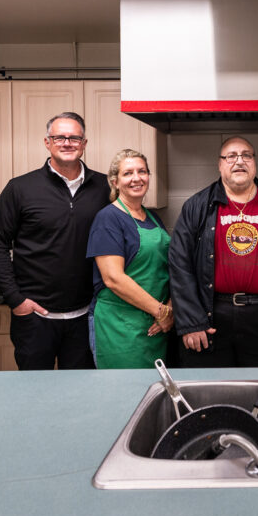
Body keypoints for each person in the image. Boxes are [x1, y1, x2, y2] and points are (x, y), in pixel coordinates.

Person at [168, 136, 258, 367]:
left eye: (246, 155)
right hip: (210, 315)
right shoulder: (197, 206)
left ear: (254, 162)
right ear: (220, 164)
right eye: (231, 156)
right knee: (211, 393)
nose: (239, 161)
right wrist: (191, 322)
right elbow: (179, 265)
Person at [0, 112, 107, 370]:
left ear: (84, 144)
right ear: (47, 142)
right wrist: (15, 300)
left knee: (80, 395)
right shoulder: (20, 188)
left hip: (86, 316)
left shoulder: (104, 188)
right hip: (34, 317)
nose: (67, 142)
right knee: (34, 395)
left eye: (74, 137)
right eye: (59, 137)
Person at [87, 149, 173, 368]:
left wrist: (170, 309)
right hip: (121, 326)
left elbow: (168, 269)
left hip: (156, 326)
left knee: (153, 395)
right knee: (123, 395)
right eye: (128, 173)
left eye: (142, 171)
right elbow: (113, 278)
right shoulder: (108, 219)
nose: (137, 178)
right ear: (115, 182)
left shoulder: (152, 217)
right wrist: (161, 311)